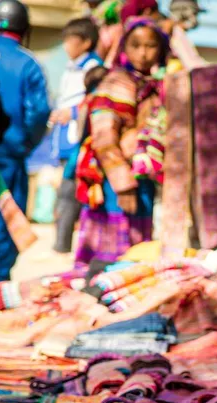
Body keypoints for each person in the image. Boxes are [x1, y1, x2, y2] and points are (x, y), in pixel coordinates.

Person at [74, 17, 168, 265]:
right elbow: (103, 137)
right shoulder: (117, 82)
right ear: (124, 48)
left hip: (143, 179)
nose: (143, 53)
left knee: (137, 251)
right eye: (135, 45)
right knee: (111, 256)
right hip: (116, 181)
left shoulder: (158, 84)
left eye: (151, 46)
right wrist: (122, 184)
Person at [0, 0, 51, 281]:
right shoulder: (28, 63)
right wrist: (26, 144)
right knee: (7, 215)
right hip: (9, 154)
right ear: (25, 28)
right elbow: (39, 112)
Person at [50, 18, 103, 253]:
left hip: (80, 140)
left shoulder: (93, 67)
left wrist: (71, 112)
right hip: (65, 137)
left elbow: (94, 101)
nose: (65, 46)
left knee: (70, 192)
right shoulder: (71, 67)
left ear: (86, 42)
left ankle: (64, 246)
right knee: (64, 191)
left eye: (70, 40)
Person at [54, 65, 108, 255]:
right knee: (88, 204)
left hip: (82, 161)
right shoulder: (96, 101)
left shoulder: (86, 102)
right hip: (91, 162)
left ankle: (77, 249)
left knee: (82, 203)